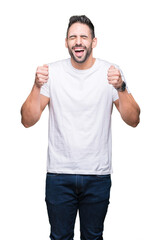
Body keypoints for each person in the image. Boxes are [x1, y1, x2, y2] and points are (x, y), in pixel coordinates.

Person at [21, 15, 140, 240]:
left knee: (93, 237)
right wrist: (36, 86)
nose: (78, 42)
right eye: (73, 37)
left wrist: (121, 87)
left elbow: (133, 120)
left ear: (93, 42)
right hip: (59, 175)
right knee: (59, 237)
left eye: (84, 37)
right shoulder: (51, 73)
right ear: (66, 42)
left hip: (97, 175)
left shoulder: (111, 73)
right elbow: (28, 120)